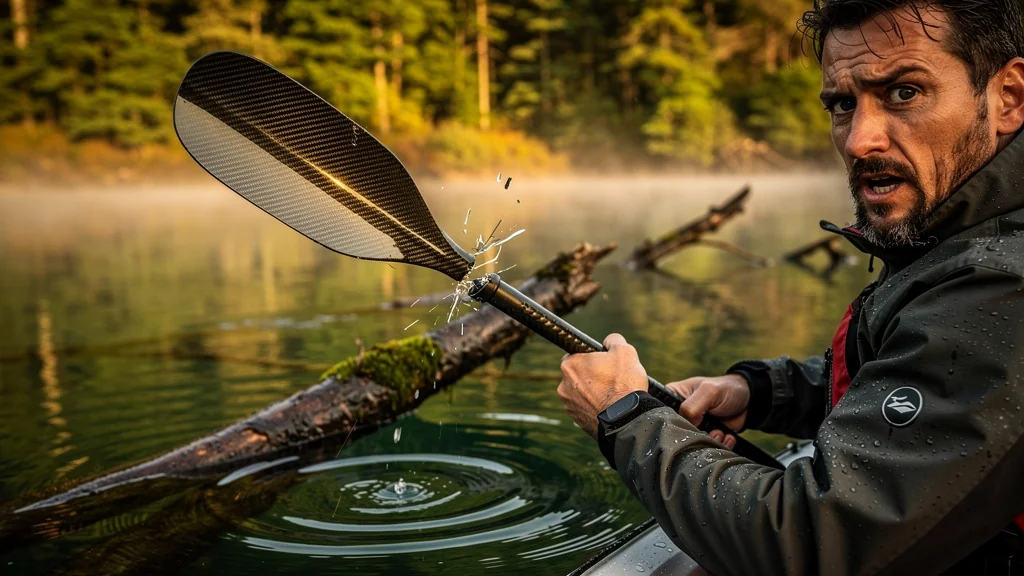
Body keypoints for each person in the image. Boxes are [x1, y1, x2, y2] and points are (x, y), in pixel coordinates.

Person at [556, 1, 1024, 574]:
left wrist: (625, 418)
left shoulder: (1002, 284)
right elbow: (917, 370)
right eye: (843, 104)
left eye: (904, 93)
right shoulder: (962, 236)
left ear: (1009, 97)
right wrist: (763, 392)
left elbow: (811, 545)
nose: (859, 141)